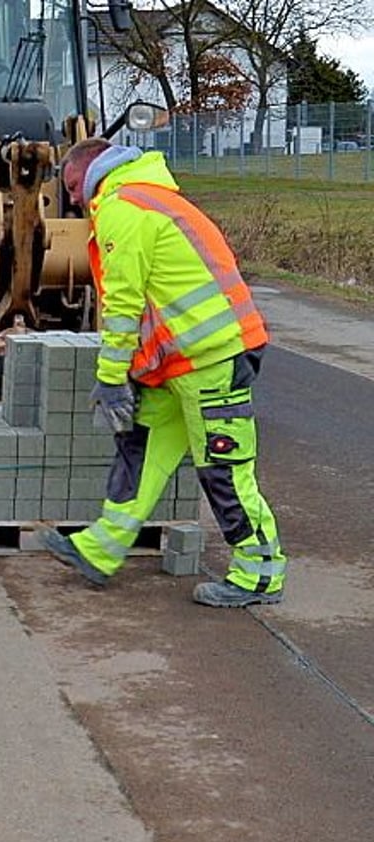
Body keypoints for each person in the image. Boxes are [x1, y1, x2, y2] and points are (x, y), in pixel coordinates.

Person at [44, 138, 287, 607]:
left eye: (73, 186)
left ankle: (260, 574)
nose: (73, 198)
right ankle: (102, 548)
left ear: (93, 170)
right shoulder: (146, 197)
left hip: (213, 358)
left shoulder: (122, 207)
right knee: (140, 445)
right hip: (182, 361)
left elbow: (124, 306)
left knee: (224, 467)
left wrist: (112, 377)